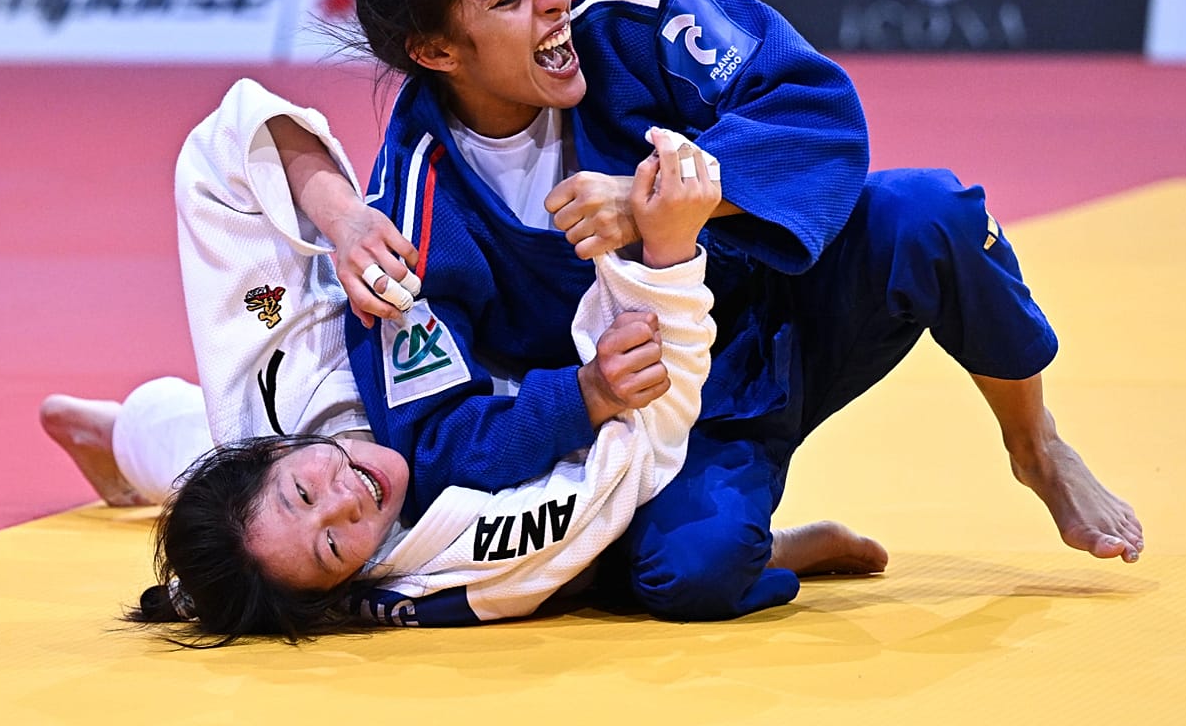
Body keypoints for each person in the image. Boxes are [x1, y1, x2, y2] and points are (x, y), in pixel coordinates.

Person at [43, 78, 884, 643]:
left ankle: (117, 432)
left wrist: (341, 218)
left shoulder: (271, 384)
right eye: (336, 544)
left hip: (368, 375)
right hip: (543, 405)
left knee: (203, 443)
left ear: (277, 455)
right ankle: (126, 446)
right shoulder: (442, 560)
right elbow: (622, 478)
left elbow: (231, 145)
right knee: (648, 562)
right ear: (345, 584)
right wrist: (594, 389)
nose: (347, 497)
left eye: (305, 489)